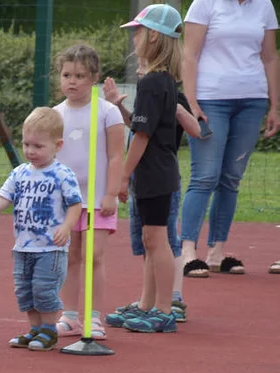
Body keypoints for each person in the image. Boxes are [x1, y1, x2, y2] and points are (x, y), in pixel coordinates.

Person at [0, 107, 83, 351]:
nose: (30, 151)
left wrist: (67, 227)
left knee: (44, 288)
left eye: (38, 146)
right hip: (23, 246)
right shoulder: (20, 173)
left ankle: (48, 331)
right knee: (25, 291)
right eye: (26, 144)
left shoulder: (62, 174)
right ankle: (35, 330)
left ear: (57, 146)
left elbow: (76, 205)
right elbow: (3, 198)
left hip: (50, 248)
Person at [178, 0, 278, 277]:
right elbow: (189, 55)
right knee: (205, 175)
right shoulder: (204, 4)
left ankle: (216, 251)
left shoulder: (264, 5)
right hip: (211, 99)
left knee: (231, 177)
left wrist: (274, 105)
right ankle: (187, 251)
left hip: (253, 99)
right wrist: (191, 101)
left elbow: (270, 56)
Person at [103, 75, 201, 326]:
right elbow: (138, 126)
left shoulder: (169, 93)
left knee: (163, 240)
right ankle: (148, 304)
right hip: (144, 175)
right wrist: (119, 106)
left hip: (161, 176)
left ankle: (169, 303)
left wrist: (178, 109)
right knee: (149, 241)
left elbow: (197, 130)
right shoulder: (149, 91)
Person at [111, 4, 183, 334]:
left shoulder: (154, 83)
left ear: (154, 36)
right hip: (155, 171)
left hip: (154, 172)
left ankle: (164, 309)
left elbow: (141, 135)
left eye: (139, 31)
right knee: (150, 238)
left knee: (157, 239)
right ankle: (147, 304)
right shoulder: (160, 81)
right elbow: (143, 127)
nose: (135, 37)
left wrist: (123, 175)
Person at [51, 44, 124, 342]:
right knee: (69, 257)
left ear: (93, 77)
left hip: (97, 200)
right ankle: (69, 316)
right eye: (67, 74)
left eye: (80, 75)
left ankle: (93, 316)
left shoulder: (108, 112)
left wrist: (111, 194)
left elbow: (117, 155)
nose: (72, 81)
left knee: (93, 256)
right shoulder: (54, 115)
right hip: (66, 203)